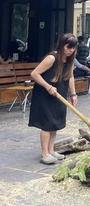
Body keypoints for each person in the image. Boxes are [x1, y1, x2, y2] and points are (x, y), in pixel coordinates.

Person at [29, 33, 78, 165]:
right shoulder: (52, 58)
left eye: (73, 48)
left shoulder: (69, 59)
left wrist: (73, 94)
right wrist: (48, 87)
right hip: (44, 94)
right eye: (69, 47)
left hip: (59, 93)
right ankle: (44, 153)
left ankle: (51, 150)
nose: (71, 50)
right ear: (62, 45)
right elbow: (34, 74)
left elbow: (71, 76)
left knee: (55, 123)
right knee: (47, 123)